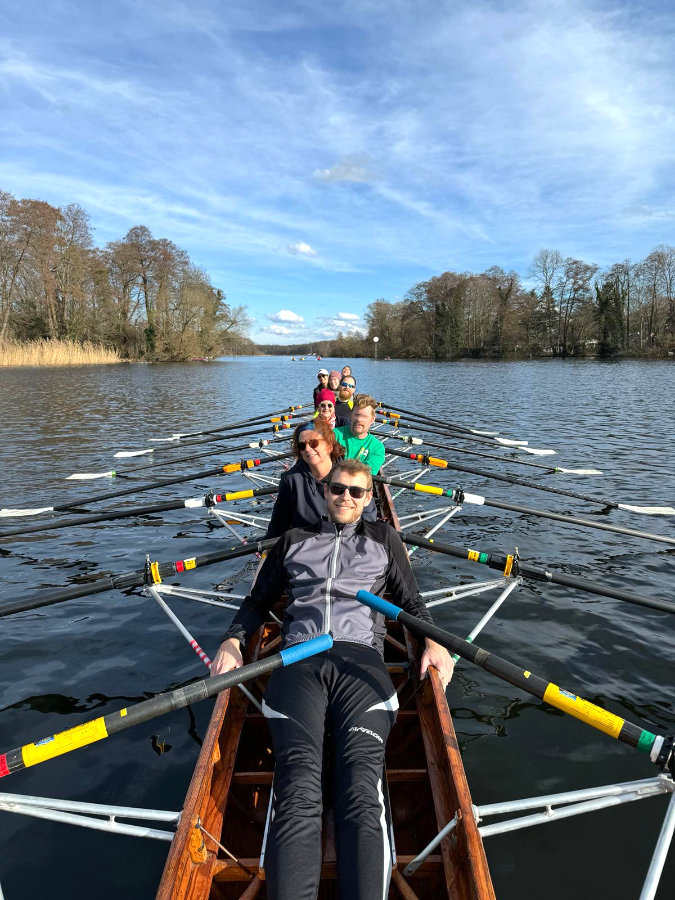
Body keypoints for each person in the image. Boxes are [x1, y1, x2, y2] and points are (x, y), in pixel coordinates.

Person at [211, 459, 454, 900]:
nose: (345, 497)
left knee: (361, 789)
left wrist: (434, 642)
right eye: (337, 489)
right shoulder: (293, 540)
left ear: (368, 499)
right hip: (297, 660)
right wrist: (231, 641)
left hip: (361, 661)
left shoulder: (384, 540)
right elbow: (256, 602)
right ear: (325, 492)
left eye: (356, 492)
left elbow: (412, 605)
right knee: (298, 786)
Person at [265, 418, 345, 538]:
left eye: (314, 443)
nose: (307, 449)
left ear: (329, 446)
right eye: (302, 445)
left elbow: (367, 518)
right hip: (309, 547)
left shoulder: (349, 475)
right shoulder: (291, 480)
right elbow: (279, 525)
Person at [334, 393, 385, 475]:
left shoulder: (377, 447)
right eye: (356, 415)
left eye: (364, 416)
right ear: (351, 415)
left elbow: (366, 474)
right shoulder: (334, 434)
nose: (359, 419)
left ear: (372, 419)